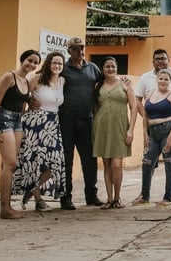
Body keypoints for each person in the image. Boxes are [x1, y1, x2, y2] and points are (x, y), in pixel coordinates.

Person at [0, 49, 40, 218]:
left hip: (18, 121)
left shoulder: (26, 81)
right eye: (29, 60)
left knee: (8, 165)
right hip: (4, 120)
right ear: (22, 59)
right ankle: (5, 208)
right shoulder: (9, 77)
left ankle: (7, 205)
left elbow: (23, 103)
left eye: (35, 62)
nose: (32, 64)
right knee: (10, 164)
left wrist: (31, 102)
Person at [14, 51, 66, 213]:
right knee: (34, 162)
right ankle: (38, 200)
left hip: (53, 124)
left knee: (55, 163)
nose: (57, 66)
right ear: (48, 64)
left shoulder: (62, 81)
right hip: (34, 123)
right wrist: (29, 101)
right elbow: (21, 95)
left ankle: (31, 191)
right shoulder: (37, 79)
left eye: (60, 63)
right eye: (54, 62)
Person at [134, 49, 171, 201]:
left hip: (168, 130)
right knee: (147, 162)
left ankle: (168, 197)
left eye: (166, 79)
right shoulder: (150, 93)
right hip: (152, 132)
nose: (163, 81)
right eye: (160, 79)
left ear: (170, 81)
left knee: (169, 163)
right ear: (156, 80)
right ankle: (145, 196)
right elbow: (143, 111)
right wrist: (145, 134)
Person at [59, 36, 104, 209]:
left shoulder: (92, 68)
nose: (80, 51)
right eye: (76, 48)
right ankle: (66, 197)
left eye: (82, 48)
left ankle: (91, 196)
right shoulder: (63, 68)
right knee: (67, 160)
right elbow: (45, 81)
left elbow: (105, 83)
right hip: (67, 121)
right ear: (69, 51)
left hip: (87, 120)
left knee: (90, 160)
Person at [92, 57, 137, 209]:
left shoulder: (125, 84)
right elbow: (95, 107)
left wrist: (131, 130)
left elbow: (134, 107)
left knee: (117, 165)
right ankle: (109, 198)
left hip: (120, 128)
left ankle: (118, 197)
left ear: (117, 68)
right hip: (102, 128)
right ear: (102, 69)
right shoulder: (97, 85)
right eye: (107, 67)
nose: (110, 69)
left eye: (113, 66)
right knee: (106, 163)